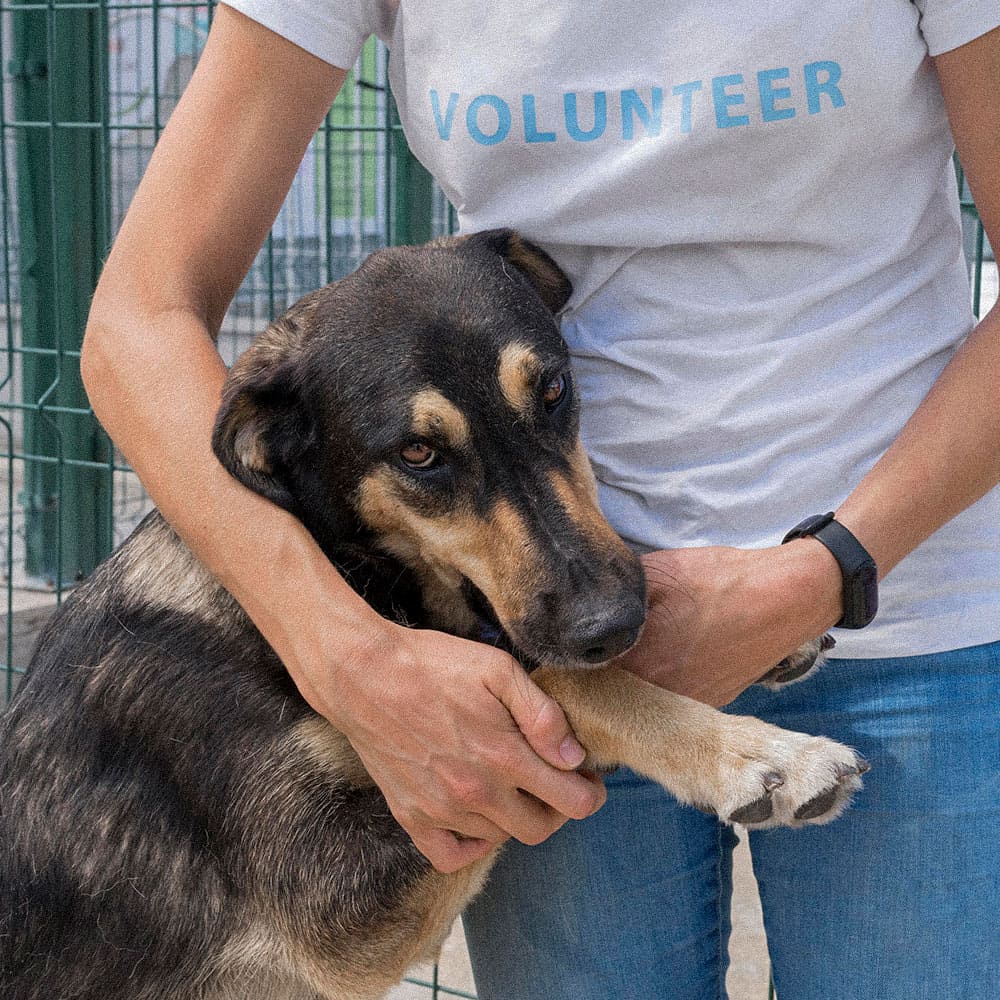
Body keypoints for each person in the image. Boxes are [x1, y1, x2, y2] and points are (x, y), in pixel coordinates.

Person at [81, 3, 1000, 998]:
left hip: (906, 609)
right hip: (538, 679)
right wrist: (350, 653)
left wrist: (831, 567)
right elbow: (137, 321)